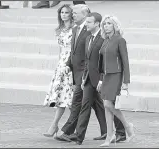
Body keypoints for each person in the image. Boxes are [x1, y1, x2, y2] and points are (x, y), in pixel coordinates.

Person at [65, 12, 127, 145]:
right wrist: (83, 78)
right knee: (86, 105)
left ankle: (121, 131)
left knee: (109, 105)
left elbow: (106, 60)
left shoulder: (105, 38)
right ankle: (79, 136)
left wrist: (102, 78)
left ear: (96, 24)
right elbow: (88, 60)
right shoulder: (88, 38)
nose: (86, 24)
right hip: (88, 78)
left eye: (89, 22)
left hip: (103, 78)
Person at [53, 4, 106, 143]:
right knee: (97, 103)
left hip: (86, 73)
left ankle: (67, 131)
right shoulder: (76, 29)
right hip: (77, 72)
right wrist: (68, 64)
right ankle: (112, 130)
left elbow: (92, 55)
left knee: (78, 102)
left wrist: (95, 75)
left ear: (85, 14)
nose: (72, 15)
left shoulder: (90, 30)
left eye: (75, 13)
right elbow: (74, 50)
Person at [98, 15, 135, 147]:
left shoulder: (120, 40)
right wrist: (101, 80)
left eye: (109, 23)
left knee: (108, 104)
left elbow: (125, 61)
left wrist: (126, 81)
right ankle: (109, 137)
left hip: (117, 75)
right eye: (104, 24)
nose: (106, 26)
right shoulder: (105, 40)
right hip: (106, 77)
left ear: (115, 25)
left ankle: (127, 125)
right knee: (106, 108)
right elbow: (101, 63)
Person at [42, 4, 74, 137]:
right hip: (61, 64)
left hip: (71, 64)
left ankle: (72, 127)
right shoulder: (59, 30)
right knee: (61, 97)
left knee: (71, 99)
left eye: (66, 12)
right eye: (62, 12)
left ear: (71, 14)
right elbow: (60, 50)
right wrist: (59, 65)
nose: (64, 15)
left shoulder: (75, 29)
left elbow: (75, 49)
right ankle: (54, 125)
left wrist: (70, 65)